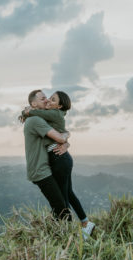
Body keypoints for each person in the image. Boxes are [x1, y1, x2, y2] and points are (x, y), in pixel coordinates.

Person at [21, 90, 95, 240]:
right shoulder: (38, 120)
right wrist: (66, 139)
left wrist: (66, 141)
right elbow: (61, 135)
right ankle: (81, 226)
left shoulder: (40, 117)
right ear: (33, 103)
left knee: (62, 203)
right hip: (51, 164)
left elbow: (61, 136)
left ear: (60, 105)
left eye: (50, 98)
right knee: (64, 197)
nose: (47, 100)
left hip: (58, 160)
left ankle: (71, 236)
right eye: (44, 98)